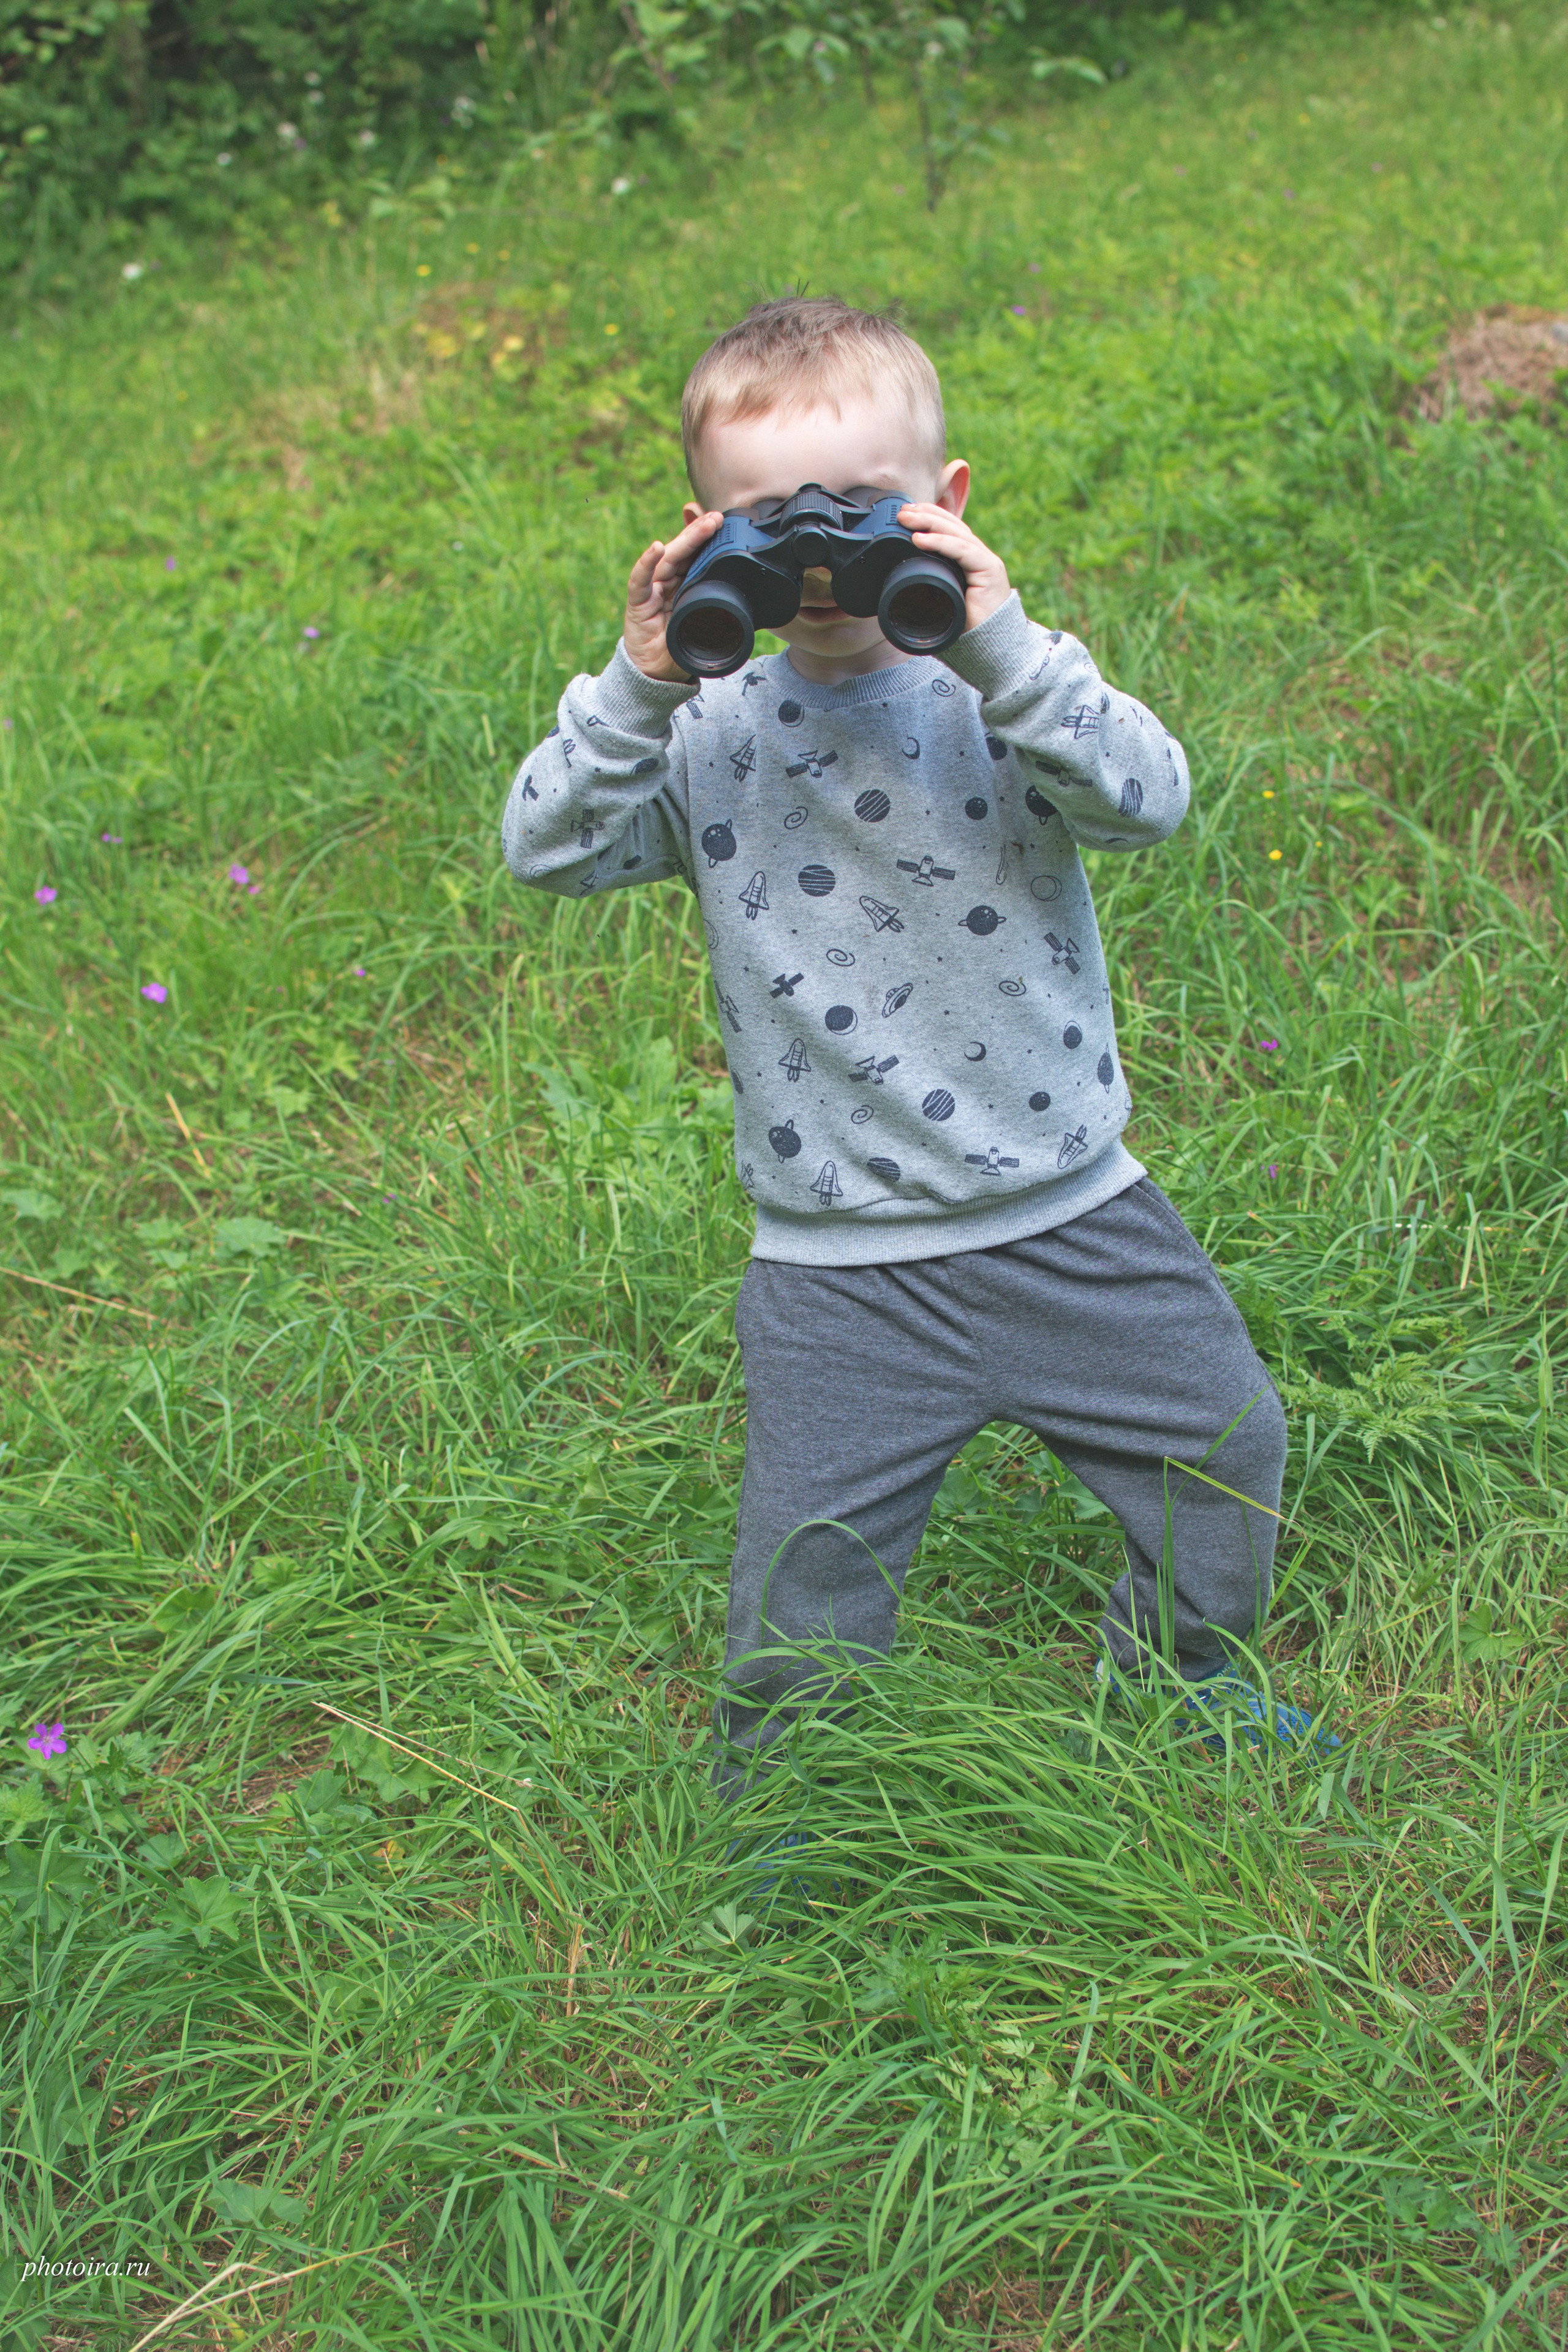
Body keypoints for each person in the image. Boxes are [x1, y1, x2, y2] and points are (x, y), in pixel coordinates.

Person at [502, 295, 1333, 1793]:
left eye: (861, 511)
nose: (820, 564)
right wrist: (641, 681)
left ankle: (1180, 1680)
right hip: (837, 1263)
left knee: (1224, 1450)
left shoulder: (1003, 698)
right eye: (769, 525)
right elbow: (546, 849)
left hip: (1071, 1213)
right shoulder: (705, 728)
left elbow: (1146, 800)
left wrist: (1004, 645)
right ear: (696, 537)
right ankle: (793, 1793)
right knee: (806, 1568)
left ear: (944, 502)